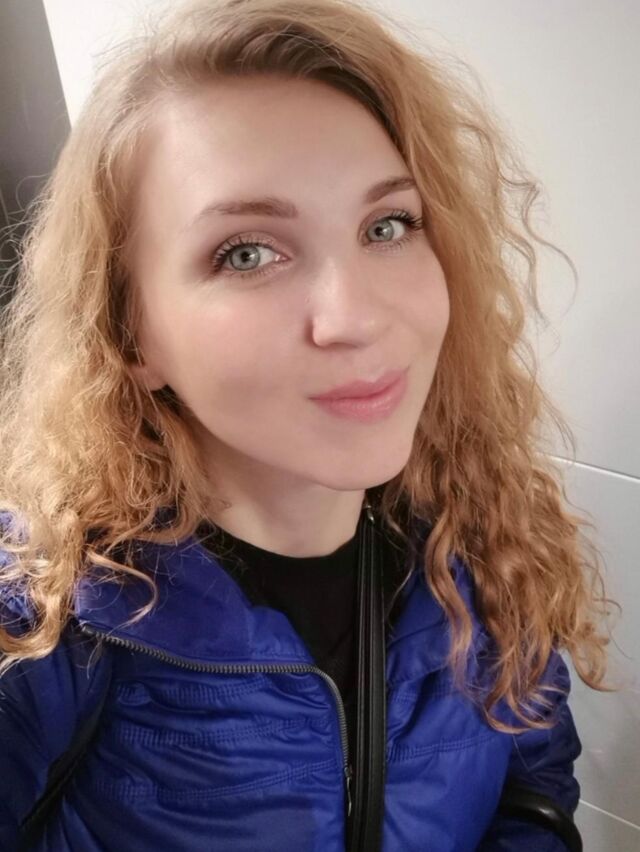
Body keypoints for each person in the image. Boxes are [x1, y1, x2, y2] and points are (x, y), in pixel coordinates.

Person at [0, 0, 616, 849]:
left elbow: (534, 796)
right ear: (131, 335)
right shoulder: (44, 621)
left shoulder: (486, 541)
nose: (355, 317)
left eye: (388, 226)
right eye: (247, 252)